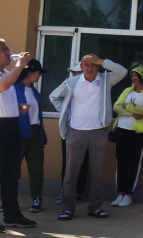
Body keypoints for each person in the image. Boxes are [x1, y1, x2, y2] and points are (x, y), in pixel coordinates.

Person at [49, 53, 127, 221]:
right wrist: (66, 111)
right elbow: (54, 96)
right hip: (75, 132)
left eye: (93, 64)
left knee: (98, 174)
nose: (90, 67)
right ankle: (68, 208)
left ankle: (95, 207)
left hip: (99, 131)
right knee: (71, 173)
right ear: (81, 67)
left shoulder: (105, 80)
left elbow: (123, 71)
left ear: (98, 66)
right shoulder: (72, 82)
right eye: (86, 64)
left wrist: (102, 61)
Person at [0, 39, 37, 233]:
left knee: (11, 175)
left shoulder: (6, 75)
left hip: (10, 127)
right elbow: (1, 87)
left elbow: (0, 98)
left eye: (8, 49)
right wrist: (19, 66)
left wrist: (17, 108)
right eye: (3, 50)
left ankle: (11, 215)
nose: (8, 53)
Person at [111, 66, 143, 207]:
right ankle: (120, 194)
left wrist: (128, 106)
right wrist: (133, 112)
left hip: (139, 132)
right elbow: (116, 106)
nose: (134, 78)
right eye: (132, 75)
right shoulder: (127, 91)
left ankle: (128, 195)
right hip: (122, 130)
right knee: (121, 162)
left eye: (137, 75)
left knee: (134, 163)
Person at [14, 59, 48, 213]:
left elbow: (38, 115)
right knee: (12, 168)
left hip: (35, 132)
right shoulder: (13, 89)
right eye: (38, 72)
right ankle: (9, 199)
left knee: (36, 168)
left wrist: (41, 134)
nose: (40, 75)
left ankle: (37, 198)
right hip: (18, 133)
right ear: (29, 72)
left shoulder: (35, 92)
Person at [57, 63, 89, 205]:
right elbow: (54, 97)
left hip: (88, 129)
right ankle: (65, 192)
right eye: (73, 72)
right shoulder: (69, 84)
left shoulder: (94, 85)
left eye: (77, 72)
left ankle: (78, 192)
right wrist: (66, 111)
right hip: (70, 129)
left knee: (84, 162)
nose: (74, 75)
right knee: (67, 162)